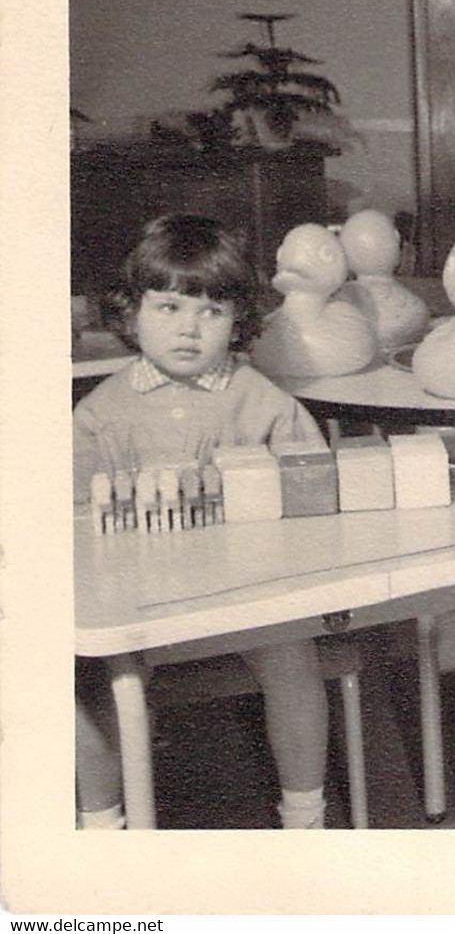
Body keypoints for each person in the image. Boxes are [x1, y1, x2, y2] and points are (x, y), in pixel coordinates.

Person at [73, 214, 333, 828]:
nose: (190, 328)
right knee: (89, 682)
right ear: (130, 312)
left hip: (245, 596)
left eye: (211, 312)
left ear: (238, 322)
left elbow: (316, 507)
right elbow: (75, 533)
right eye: (168, 308)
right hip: (136, 607)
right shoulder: (98, 415)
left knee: (292, 652)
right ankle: (102, 826)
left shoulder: (268, 404)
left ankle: (306, 816)